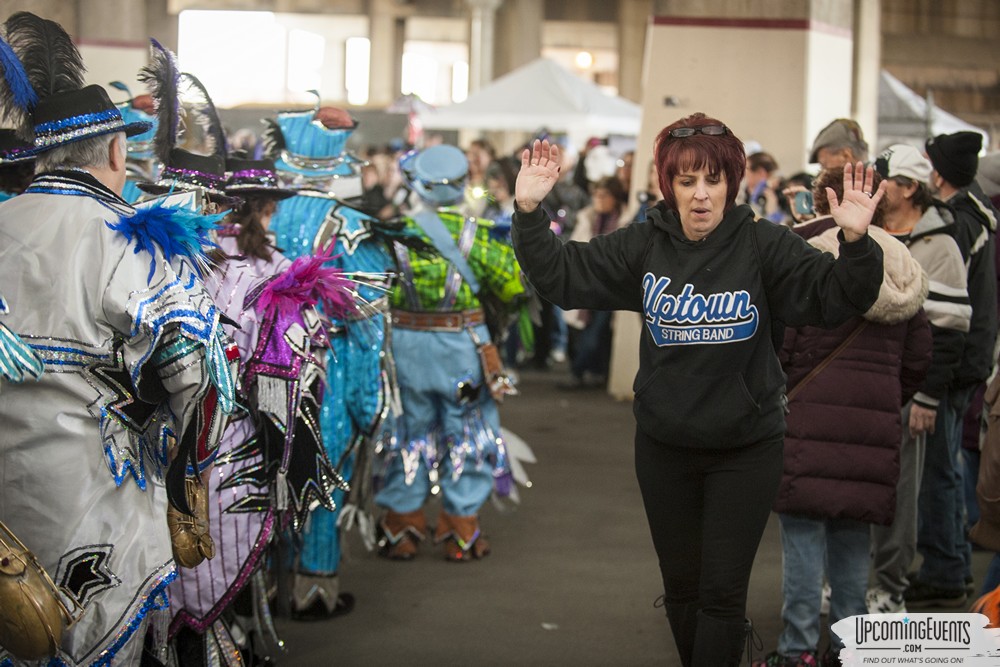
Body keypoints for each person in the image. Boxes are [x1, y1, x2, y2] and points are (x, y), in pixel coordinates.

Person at [511, 112, 886, 666]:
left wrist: (856, 241)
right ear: (670, 187)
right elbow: (565, 275)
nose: (701, 195)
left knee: (722, 595)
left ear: (732, 184)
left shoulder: (763, 245)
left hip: (745, 448)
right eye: (687, 182)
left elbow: (837, 297)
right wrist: (528, 212)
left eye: (713, 180)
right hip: (664, 447)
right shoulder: (646, 246)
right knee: (683, 592)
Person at [0, 12, 235, 664]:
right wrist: (188, 505)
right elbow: (199, 390)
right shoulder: (137, 238)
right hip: (99, 517)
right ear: (114, 151)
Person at [753, 168, 931, 667]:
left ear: (819, 199)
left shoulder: (804, 254)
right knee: (854, 545)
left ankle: (799, 648)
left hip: (806, 422)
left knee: (803, 542)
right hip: (872, 427)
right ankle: (853, 651)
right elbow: (919, 356)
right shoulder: (903, 263)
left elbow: (779, 344)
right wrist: (884, 398)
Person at [266, 99, 397, 619]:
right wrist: (371, 400)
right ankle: (313, 588)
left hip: (260, 368)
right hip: (328, 367)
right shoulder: (349, 226)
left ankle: (268, 585)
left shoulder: (252, 214)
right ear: (337, 164)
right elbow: (368, 321)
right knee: (322, 468)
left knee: (270, 471)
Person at [375, 144, 527, 561]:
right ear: (463, 185)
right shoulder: (479, 237)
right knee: (466, 432)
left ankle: (401, 526)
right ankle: (461, 531)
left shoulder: (391, 237)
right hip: (462, 349)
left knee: (407, 431)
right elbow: (514, 288)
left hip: (404, 349)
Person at [867, 144, 973, 613]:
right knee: (859, 485)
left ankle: (889, 586)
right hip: (865, 385)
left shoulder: (942, 243)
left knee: (902, 493)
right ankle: (856, 578)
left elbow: (951, 329)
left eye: (883, 178)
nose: (874, 184)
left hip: (910, 390)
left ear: (908, 188)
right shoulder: (867, 230)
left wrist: (928, 398)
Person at [904, 131, 997, 607]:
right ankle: (954, 563)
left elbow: (947, 310)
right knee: (950, 469)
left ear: (936, 174)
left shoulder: (955, 224)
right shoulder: (978, 214)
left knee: (937, 472)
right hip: (972, 362)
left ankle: (943, 569)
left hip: (954, 366)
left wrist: (932, 384)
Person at [560, 175, 628, 390]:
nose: (598, 199)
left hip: (611, 287)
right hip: (588, 284)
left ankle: (579, 372)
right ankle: (591, 372)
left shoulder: (624, 221)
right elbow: (576, 247)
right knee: (585, 331)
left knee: (596, 332)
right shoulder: (587, 218)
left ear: (615, 198)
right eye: (596, 195)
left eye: (604, 195)